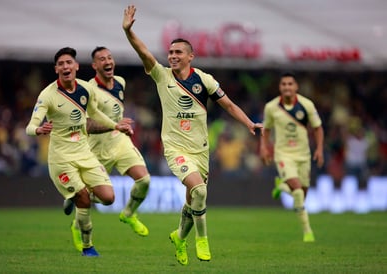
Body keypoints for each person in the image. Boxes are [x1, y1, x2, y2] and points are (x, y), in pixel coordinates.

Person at [122, 5, 263, 265]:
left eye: (178, 52)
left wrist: (249, 124)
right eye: (170, 52)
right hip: (176, 149)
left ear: (190, 56)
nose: (172, 56)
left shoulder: (204, 80)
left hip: (200, 150)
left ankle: (179, 237)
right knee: (199, 189)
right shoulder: (161, 75)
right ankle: (202, 239)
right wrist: (129, 31)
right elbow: (143, 52)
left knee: (193, 200)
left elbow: (229, 105)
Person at [25, 47, 133, 256]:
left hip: (85, 153)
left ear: (76, 66)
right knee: (83, 197)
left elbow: (95, 113)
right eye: (61, 64)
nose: (66, 66)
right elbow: (30, 126)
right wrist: (38, 130)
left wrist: (116, 125)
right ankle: (88, 246)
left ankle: (71, 198)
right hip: (62, 158)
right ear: (56, 69)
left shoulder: (85, 89)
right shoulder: (48, 95)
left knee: (108, 198)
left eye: (69, 63)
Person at [68, 46, 151, 251]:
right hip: (96, 150)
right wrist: (114, 125)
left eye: (110, 57)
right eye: (102, 59)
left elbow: (117, 113)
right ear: (94, 65)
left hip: (119, 142)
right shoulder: (87, 91)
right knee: (99, 198)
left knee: (144, 180)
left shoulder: (120, 83)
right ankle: (76, 225)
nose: (108, 61)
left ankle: (129, 213)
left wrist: (120, 128)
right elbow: (85, 125)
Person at [260, 71, 324, 243]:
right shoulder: (271, 107)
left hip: (303, 155)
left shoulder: (307, 105)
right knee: (297, 190)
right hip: (283, 154)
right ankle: (307, 231)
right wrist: (264, 148)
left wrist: (319, 149)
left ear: (296, 87)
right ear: (280, 87)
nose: (287, 87)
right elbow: (266, 129)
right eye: (284, 84)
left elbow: (318, 128)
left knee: (302, 194)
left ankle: (281, 186)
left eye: (290, 84)